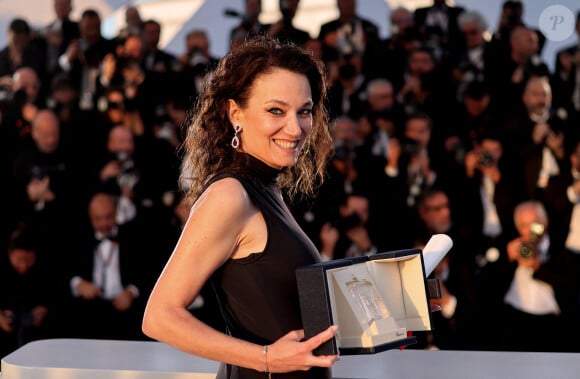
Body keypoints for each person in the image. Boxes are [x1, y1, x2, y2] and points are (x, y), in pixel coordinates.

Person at [142, 36, 339, 379]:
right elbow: (159, 316)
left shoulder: (264, 187)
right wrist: (266, 358)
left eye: (304, 111)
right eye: (276, 110)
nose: (295, 128)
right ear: (236, 113)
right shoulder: (231, 194)